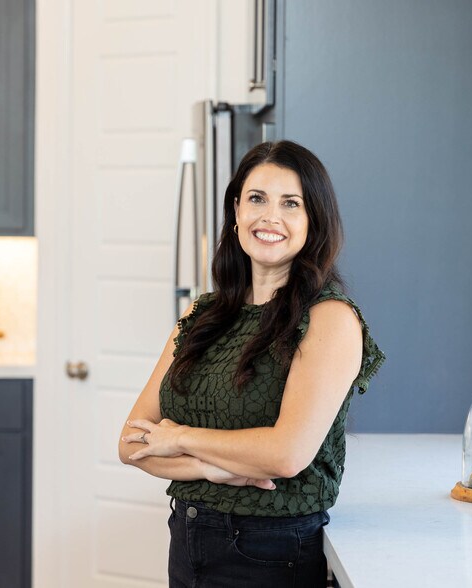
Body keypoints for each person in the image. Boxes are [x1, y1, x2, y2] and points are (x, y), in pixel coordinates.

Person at [119, 140, 385, 587]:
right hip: (187, 539)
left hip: (271, 551)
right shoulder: (201, 315)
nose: (270, 217)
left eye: (291, 203)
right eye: (257, 198)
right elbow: (131, 443)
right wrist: (212, 469)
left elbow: (286, 455)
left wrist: (179, 438)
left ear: (313, 221)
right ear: (236, 211)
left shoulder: (329, 318)